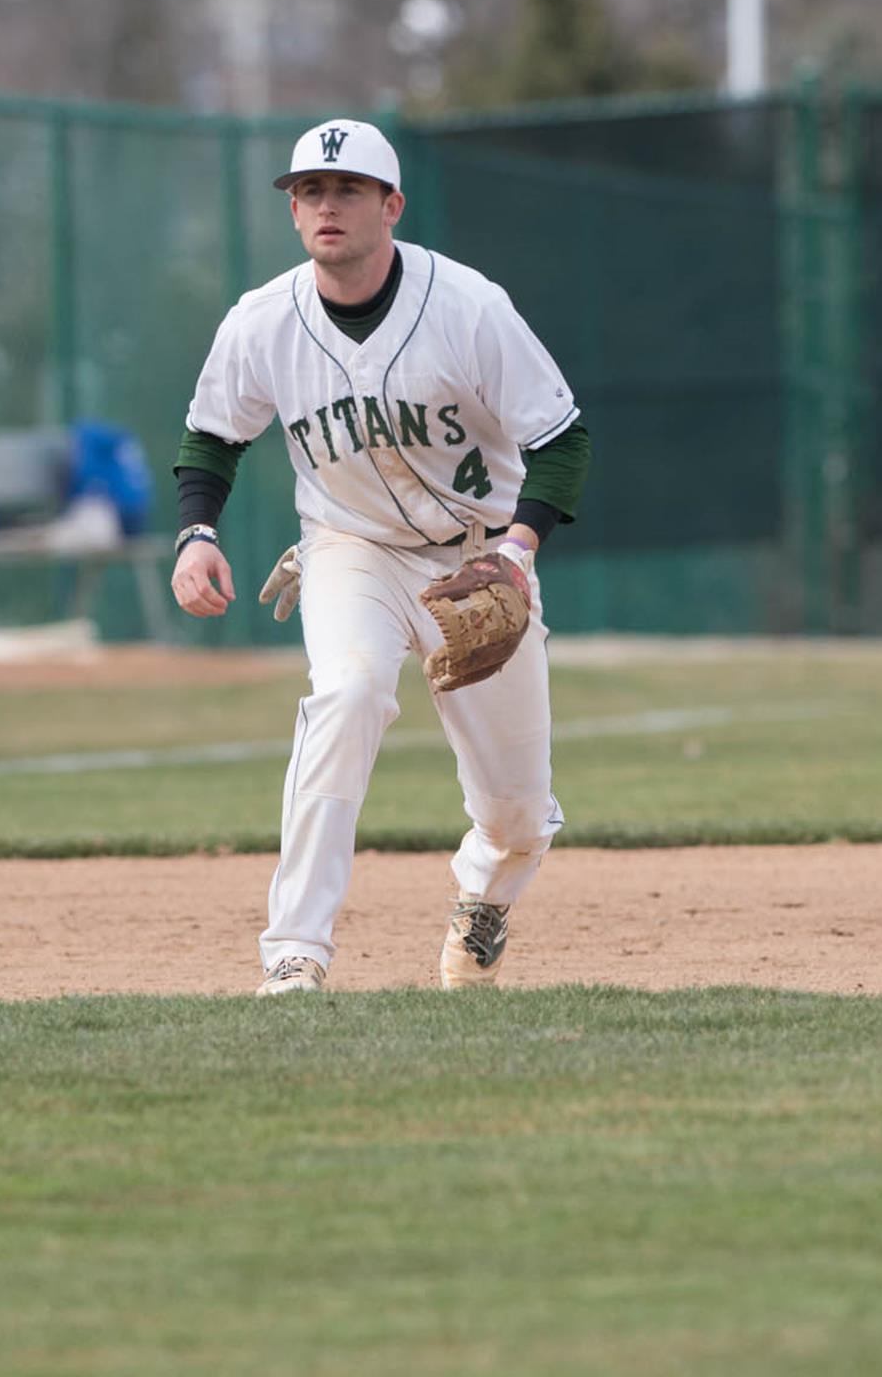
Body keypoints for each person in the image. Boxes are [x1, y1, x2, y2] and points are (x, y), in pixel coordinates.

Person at [170, 118, 592, 995]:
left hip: (477, 560)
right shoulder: (262, 322)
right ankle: (296, 951)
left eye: (348, 189)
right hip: (348, 547)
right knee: (349, 693)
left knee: (516, 812)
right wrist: (196, 533)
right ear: (293, 212)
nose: (326, 204)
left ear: (391, 205)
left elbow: (561, 440)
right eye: (309, 192)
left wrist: (518, 551)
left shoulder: (468, 307)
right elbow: (212, 435)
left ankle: (483, 897)